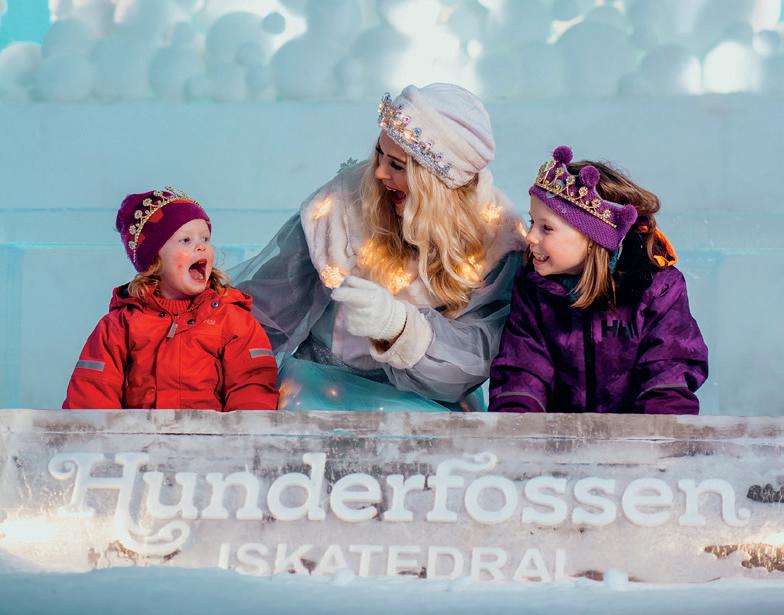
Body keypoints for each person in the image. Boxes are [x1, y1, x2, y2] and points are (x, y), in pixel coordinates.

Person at [231, 83, 525, 411]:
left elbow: (476, 356)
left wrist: (399, 327)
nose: (380, 173)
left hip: (426, 405)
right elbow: (267, 308)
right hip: (321, 390)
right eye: (379, 155)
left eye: (397, 165)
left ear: (436, 182)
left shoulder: (493, 238)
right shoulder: (343, 208)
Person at [489, 145, 708, 414]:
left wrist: (659, 434)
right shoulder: (533, 289)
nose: (530, 236)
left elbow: (668, 373)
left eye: (547, 228)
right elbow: (521, 372)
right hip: (556, 437)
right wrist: (519, 428)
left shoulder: (658, 290)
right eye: (532, 221)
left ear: (594, 239)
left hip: (635, 436)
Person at [63, 187, 279, 411]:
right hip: (141, 434)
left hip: (210, 434)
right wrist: (106, 433)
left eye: (205, 238)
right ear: (154, 260)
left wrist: (244, 431)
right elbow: (92, 395)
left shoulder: (232, 320)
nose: (201, 246)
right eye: (185, 240)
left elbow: (251, 385)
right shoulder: (119, 326)